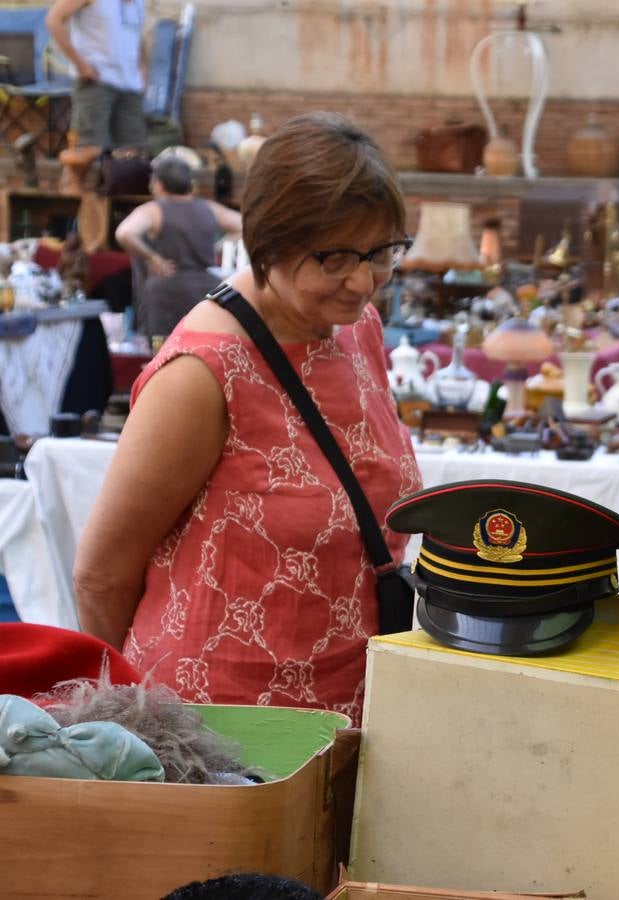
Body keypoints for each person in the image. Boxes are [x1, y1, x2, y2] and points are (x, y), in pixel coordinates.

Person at [73, 113, 422, 724]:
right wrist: (136, 721)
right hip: (222, 728)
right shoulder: (204, 371)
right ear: (269, 240)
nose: (364, 281)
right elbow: (101, 576)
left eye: (381, 252)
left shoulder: (355, 326)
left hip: (354, 707)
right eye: (336, 256)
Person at [116, 154, 243, 339]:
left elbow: (124, 233)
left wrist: (152, 257)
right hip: (206, 291)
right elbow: (244, 225)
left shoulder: (155, 210)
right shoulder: (208, 208)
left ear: (158, 184)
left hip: (167, 293)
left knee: (163, 355)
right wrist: (217, 247)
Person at [46, 0, 147, 153]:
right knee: (88, 151)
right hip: (96, 81)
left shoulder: (139, 2)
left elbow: (136, 36)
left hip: (130, 85)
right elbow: (54, 21)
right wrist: (80, 65)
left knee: (130, 155)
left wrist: (143, 71)